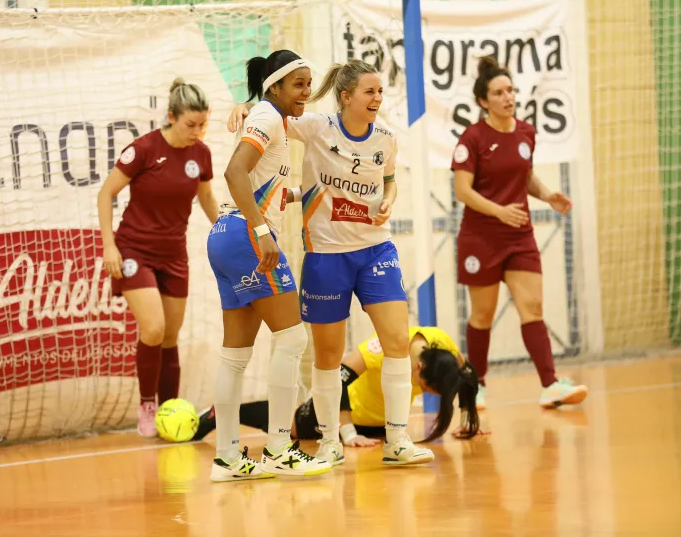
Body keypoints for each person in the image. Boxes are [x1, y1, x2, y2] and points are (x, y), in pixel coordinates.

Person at [228, 60, 434, 467]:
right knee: (328, 355)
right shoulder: (316, 126)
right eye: (369, 92)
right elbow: (273, 116)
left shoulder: (387, 138)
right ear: (346, 97)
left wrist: (389, 199)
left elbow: (389, 178)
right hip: (325, 255)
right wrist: (244, 108)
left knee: (396, 342)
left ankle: (397, 440)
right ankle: (328, 443)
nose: (377, 99)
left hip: (376, 250)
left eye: (380, 92)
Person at [207, 50, 332, 483]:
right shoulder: (266, 115)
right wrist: (262, 233)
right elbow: (233, 172)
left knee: (235, 355)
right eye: (298, 84)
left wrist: (303, 193)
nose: (306, 91)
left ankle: (226, 459)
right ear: (274, 86)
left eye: (309, 82)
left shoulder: (268, 117)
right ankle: (279, 448)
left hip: (227, 234)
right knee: (293, 339)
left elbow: (261, 184)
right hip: (245, 235)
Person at [451, 56, 588, 409]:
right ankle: (476, 384)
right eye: (499, 92)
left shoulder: (526, 132)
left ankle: (550, 385)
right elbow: (462, 191)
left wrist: (547, 195)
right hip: (481, 237)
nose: (508, 97)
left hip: (519, 235)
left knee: (533, 306)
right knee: (482, 315)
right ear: (484, 101)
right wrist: (498, 211)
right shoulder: (473, 137)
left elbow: (523, 176)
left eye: (511, 90)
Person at [98, 78, 219, 437]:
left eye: (203, 124)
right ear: (171, 116)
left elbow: (207, 198)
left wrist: (230, 232)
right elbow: (106, 194)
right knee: (153, 328)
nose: (197, 132)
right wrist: (109, 246)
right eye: (190, 125)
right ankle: (147, 405)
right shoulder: (144, 149)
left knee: (170, 336)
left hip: (174, 254)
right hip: (134, 250)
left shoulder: (201, 154)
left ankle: (170, 414)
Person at [192, 327, 484, 447]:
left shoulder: (442, 347)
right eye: (429, 390)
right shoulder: (385, 347)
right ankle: (221, 414)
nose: (430, 395)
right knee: (294, 427)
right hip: (346, 414)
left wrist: (469, 417)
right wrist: (347, 432)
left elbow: (467, 374)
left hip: (382, 424)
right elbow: (339, 376)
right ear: (418, 369)